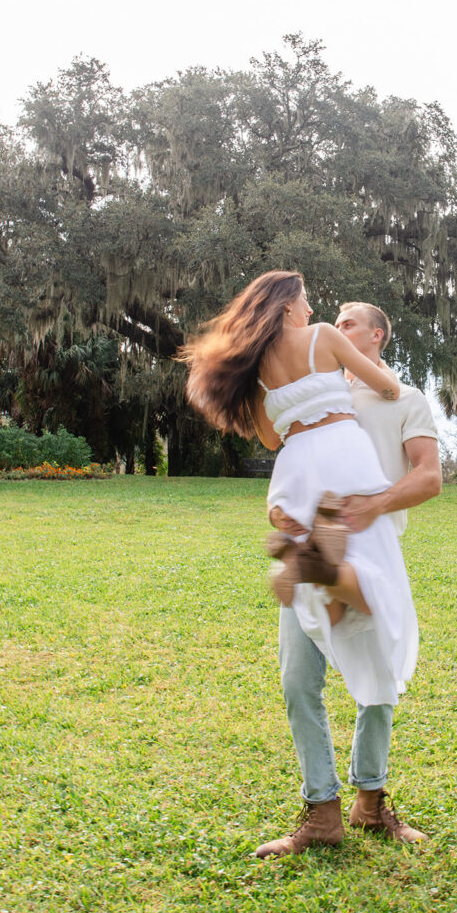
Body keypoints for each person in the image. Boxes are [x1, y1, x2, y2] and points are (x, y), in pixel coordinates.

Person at [181, 272, 421, 854]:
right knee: (380, 593)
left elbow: (270, 438)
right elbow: (387, 387)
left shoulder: (257, 370)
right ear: (291, 305)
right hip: (343, 458)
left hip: (294, 477)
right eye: (310, 300)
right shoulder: (322, 337)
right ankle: (330, 576)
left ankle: (319, 571)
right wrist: (353, 381)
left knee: (344, 598)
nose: (315, 308)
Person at [262, 302, 442, 858]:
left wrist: (375, 504)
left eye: (347, 324)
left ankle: (371, 804)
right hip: (312, 543)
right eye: (331, 323)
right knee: (298, 681)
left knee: (379, 683)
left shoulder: (403, 398)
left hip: (371, 547)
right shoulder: (315, 389)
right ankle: (321, 813)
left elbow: (430, 477)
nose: (335, 330)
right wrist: (282, 513)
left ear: (377, 334)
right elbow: (291, 451)